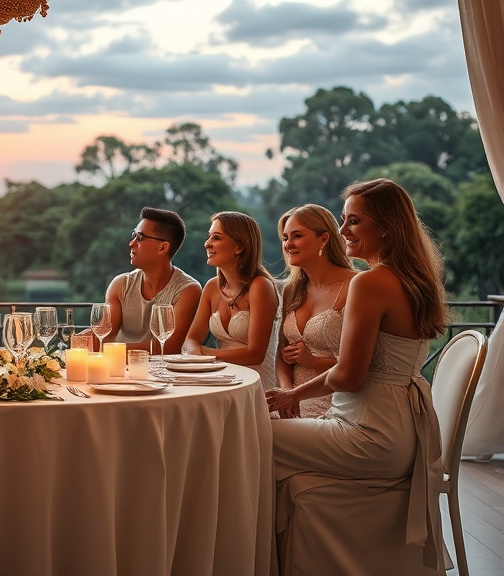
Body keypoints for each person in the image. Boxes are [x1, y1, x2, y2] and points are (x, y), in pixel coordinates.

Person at [266, 179, 449, 572]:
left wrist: (289, 397)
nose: (343, 231)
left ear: (385, 227)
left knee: (250, 433)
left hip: (369, 435)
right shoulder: (414, 278)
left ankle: (244, 557)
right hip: (398, 431)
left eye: (353, 221)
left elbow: (348, 375)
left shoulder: (369, 282)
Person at [274, 204, 357, 418]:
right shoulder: (291, 290)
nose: (288, 244)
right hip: (291, 401)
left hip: (336, 402)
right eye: (285, 238)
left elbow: (361, 365)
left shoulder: (355, 285)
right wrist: (286, 392)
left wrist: (313, 362)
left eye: (297, 236)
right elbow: (282, 358)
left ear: (324, 238)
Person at [183, 211, 280, 389]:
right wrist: (194, 350)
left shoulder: (260, 286)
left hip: (255, 384)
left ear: (239, 247)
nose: (207, 243)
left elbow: (255, 354)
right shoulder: (212, 287)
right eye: (209, 237)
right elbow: (191, 339)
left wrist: (204, 353)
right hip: (222, 378)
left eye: (217, 238)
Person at [99, 207, 202, 354]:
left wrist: (114, 351)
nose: (131, 243)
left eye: (139, 237)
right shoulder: (120, 284)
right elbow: (104, 335)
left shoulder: (188, 290)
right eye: (133, 235)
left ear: (162, 248)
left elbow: (168, 347)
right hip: (122, 372)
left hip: (166, 374)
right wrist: (78, 341)